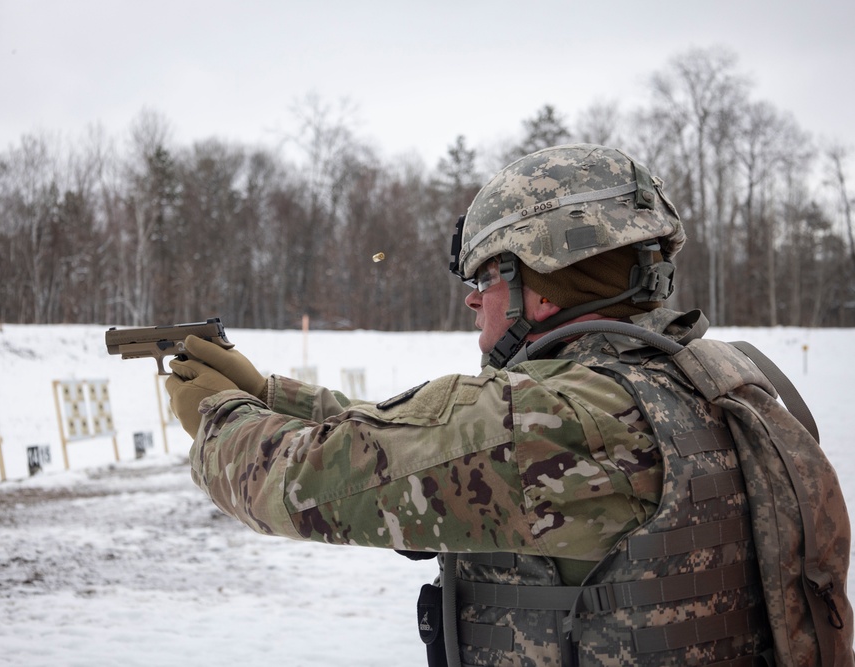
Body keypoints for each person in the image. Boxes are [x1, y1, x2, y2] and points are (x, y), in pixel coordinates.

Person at [165, 144, 774, 665]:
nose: (473, 302)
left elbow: (297, 482)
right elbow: (411, 441)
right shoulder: (708, 379)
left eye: (485, 280)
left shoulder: (544, 418)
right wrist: (271, 394)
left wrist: (218, 416)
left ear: (541, 289)